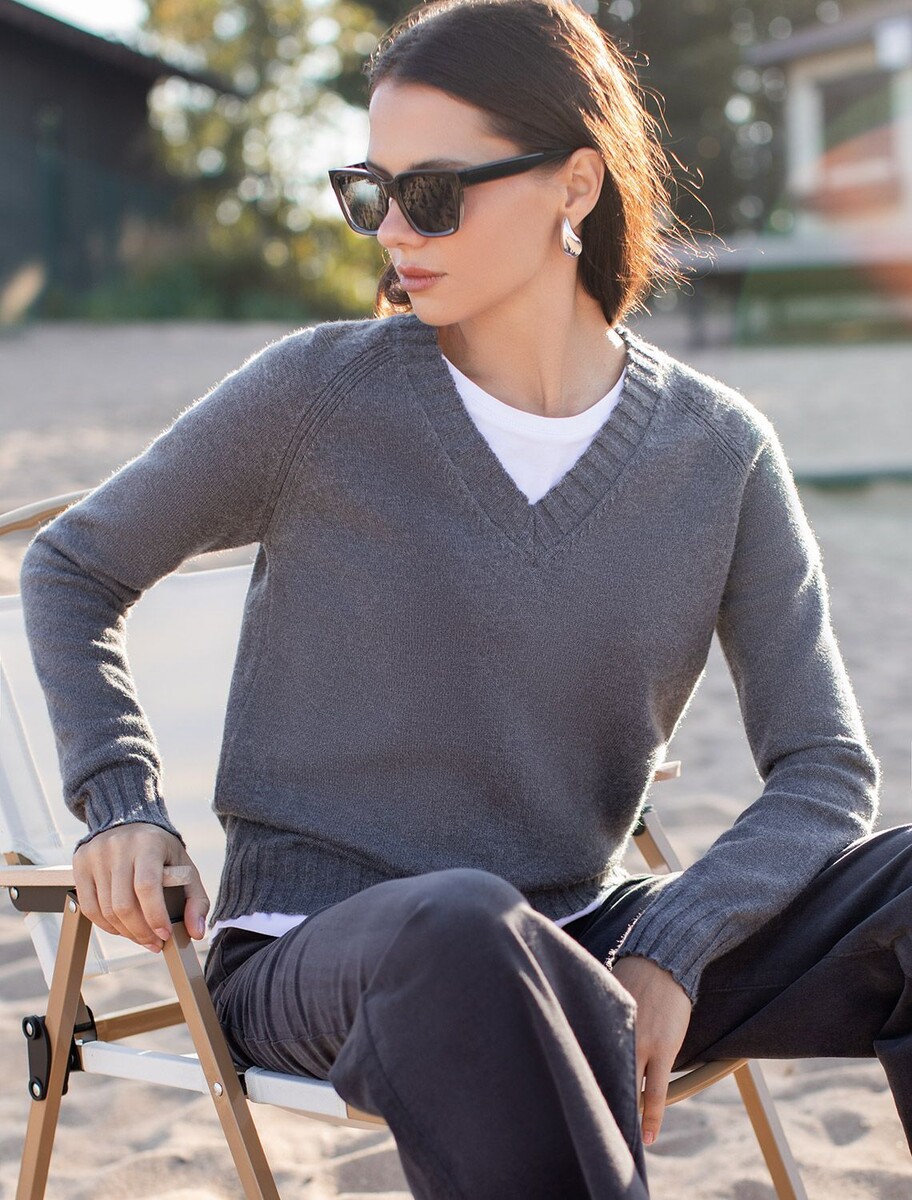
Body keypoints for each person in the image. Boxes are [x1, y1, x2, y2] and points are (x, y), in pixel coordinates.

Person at [19, 0, 912, 1196]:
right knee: (467, 928)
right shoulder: (320, 396)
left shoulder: (719, 454)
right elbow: (71, 566)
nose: (393, 229)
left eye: (433, 193)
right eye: (370, 192)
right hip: (329, 955)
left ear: (574, 184)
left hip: (584, 935)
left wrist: (671, 947)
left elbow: (824, 769)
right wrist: (119, 804)